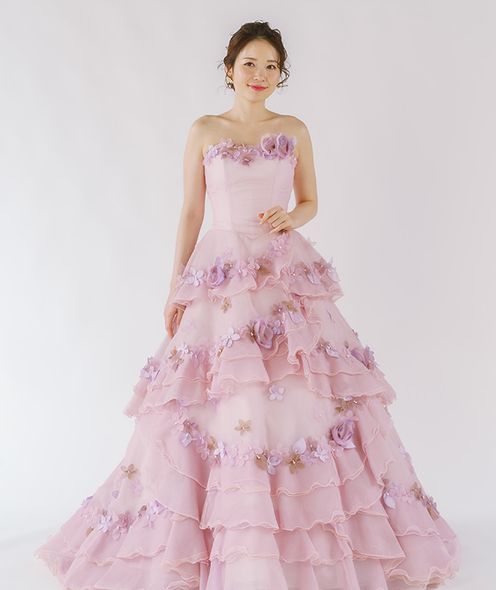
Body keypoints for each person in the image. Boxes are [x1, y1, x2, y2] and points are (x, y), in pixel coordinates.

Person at [34, 20, 461, 590]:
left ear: (281, 74)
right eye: (249, 64)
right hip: (222, 275)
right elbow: (192, 211)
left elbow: (310, 200)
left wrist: (292, 216)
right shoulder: (205, 129)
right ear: (230, 69)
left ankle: (307, 540)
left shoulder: (294, 129)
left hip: (283, 271)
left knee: (302, 393)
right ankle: (221, 539)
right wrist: (176, 285)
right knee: (220, 396)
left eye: (271, 66)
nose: (260, 75)